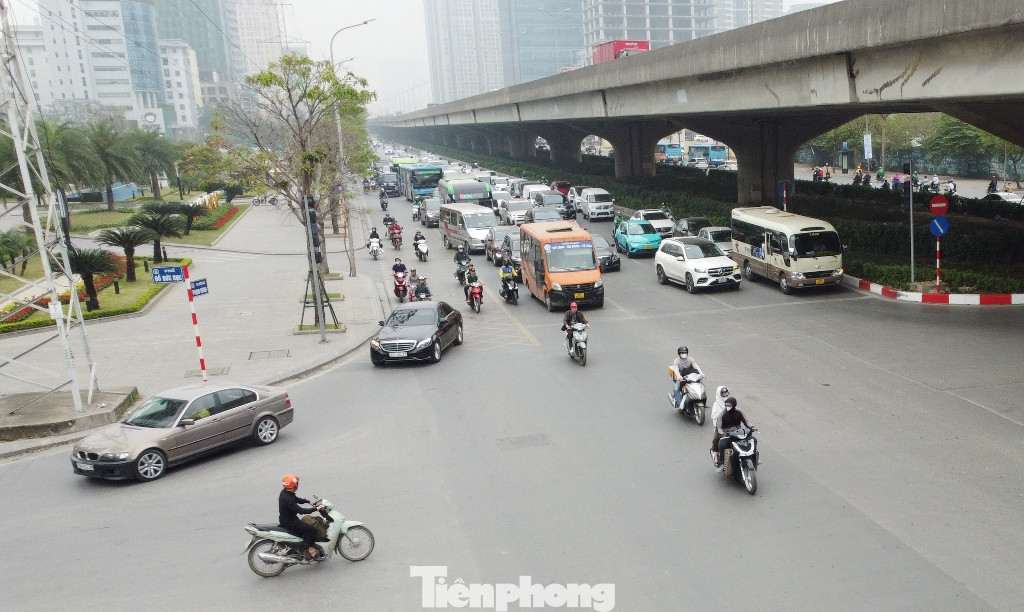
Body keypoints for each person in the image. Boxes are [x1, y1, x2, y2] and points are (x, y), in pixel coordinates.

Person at [278, 474, 322, 560]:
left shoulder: (285, 492)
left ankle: (303, 547)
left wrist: (309, 501)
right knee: (312, 530)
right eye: (296, 483)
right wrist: (316, 509)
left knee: (304, 529)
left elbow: (296, 499)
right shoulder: (288, 499)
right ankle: (311, 551)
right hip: (290, 522)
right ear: (293, 485)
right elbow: (301, 511)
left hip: (287, 519)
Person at [715, 397, 753, 472]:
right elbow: (718, 427)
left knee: (752, 440)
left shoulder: (739, 411)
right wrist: (722, 433)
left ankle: (753, 457)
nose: (727, 407)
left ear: (734, 405)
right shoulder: (722, 414)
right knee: (721, 445)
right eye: (726, 405)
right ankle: (722, 463)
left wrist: (752, 427)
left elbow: (746, 422)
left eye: (729, 405)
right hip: (727, 434)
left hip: (738, 433)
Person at [709, 385, 731, 463]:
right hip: (720, 427)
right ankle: (715, 453)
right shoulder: (716, 404)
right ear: (719, 395)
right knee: (716, 439)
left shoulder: (730, 402)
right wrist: (722, 414)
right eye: (724, 396)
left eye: (727, 395)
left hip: (731, 426)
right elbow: (713, 416)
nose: (726, 397)